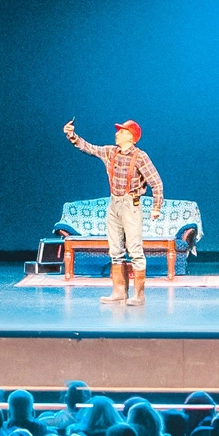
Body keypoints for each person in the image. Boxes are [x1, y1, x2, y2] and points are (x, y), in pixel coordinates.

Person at [63, 118, 164, 306]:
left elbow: (156, 183)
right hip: (114, 204)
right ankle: (119, 292)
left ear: (130, 136)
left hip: (131, 205)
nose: (117, 133)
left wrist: (156, 207)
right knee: (115, 249)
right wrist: (72, 135)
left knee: (134, 250)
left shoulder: (140, 156)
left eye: (121, 131)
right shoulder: (111, 152)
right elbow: (89, 148)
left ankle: (139, 296)